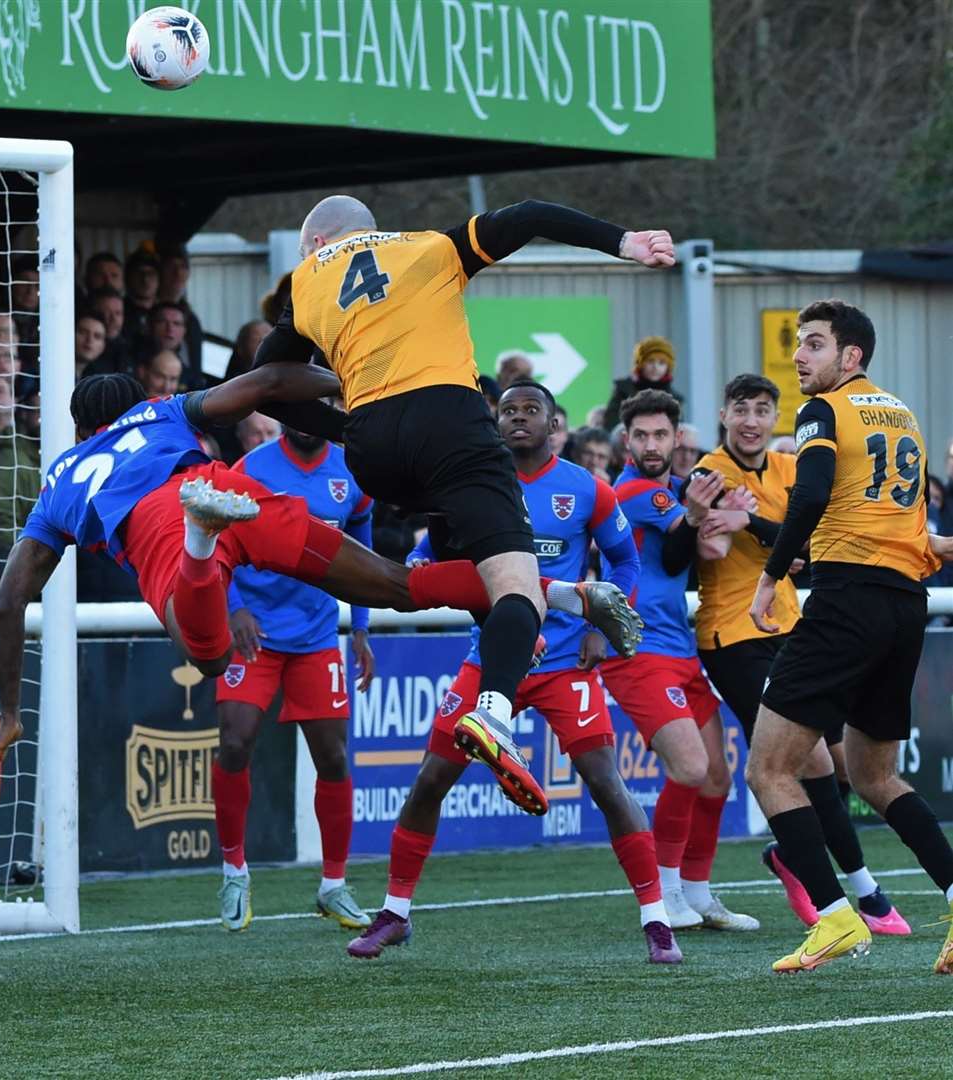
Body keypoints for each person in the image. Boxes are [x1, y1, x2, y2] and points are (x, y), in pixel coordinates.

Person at [0, 371, 643, 782]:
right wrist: (349, 379)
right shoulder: (164, 411)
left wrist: (10, 710)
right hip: (220, 484)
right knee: (393, 584)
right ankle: (565, 592)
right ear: (140, 400)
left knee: (207, 658)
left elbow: (10, 602)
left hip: (164, 534)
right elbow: (267, 381)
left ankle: (198, 544)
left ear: (76, 425)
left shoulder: (61, 476)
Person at [252, 195, 672, 813]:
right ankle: (497, 711)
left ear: (315, 244)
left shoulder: (306, 281)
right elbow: (529, 215)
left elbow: (267, 380)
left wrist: (346, 427)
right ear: (373, 233)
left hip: (374, 449)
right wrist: (623, 241)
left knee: (461, 538)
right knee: (514, 587)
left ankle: (550, 606)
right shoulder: (428, 247)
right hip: (448, 422)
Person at [347, 381, 678, 964]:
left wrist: (603, 629)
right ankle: (394, 913)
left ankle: (657, 920)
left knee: (605, 783)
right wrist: (428, 565)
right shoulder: (468, 489)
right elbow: (441, 562)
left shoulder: (585, 489)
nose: (519, 419)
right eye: (508, 411)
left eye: (532, 411)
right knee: (429, 782)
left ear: (555, 426)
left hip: (563, 665)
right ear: (494, 424)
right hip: (492, 661)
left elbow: (625, 560)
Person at [744, 300, 953, 974]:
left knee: (768, 769)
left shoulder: (823, 411)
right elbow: (910, 525)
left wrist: (766, 577)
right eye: (799, 344)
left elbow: (806, 499)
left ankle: (835, 919)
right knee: (873, 774)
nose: (800, 356)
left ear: (849, 357)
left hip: (847, 602)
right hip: (903, 604)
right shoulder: (904, 417)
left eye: (812, 344)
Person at [690, 374, 907, 936]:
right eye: (741, 409)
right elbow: (710, 545)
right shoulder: (707, 473)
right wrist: (764, 536)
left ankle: (791, 856)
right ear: (723, 414)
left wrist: (752, 524)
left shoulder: (790, 468)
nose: (751, 421)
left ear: (775, 418)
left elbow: (808, 546)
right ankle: (866, 896)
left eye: (763, 410)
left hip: (791, 629)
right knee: (804, 762)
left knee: (835, 763)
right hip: (732, 637)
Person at [598, 389, 759, 932]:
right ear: (626, 440)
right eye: (640, 435)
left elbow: (707, 546)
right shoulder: (636, 489)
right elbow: (684, 543)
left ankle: (698, 892)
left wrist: (715, 518)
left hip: (680, 650)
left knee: (717, 778)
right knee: (691, 767)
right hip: (638, 652)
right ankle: (665, 892)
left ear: (677, 439)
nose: (650, 444)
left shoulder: (674, 491)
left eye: (660, 435)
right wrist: (715, 516)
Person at [212, 419, 375, 933]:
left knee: (332, 755)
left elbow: (361, 542)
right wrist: (233, 605)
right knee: (235, 743)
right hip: (253, 630)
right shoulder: (252, 468)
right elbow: (215, 534)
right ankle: (234, 872)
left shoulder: (352, 471)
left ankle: (333, 884)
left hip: (317, 635)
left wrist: (362, 627)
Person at [603, 335, 683, 433]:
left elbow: (677, 432)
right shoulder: (624, 391)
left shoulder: (674, 399)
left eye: (661, 363)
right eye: (650, 361)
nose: (655, 367)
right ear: (640, 364)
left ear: (668, 367)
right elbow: (611, 426)